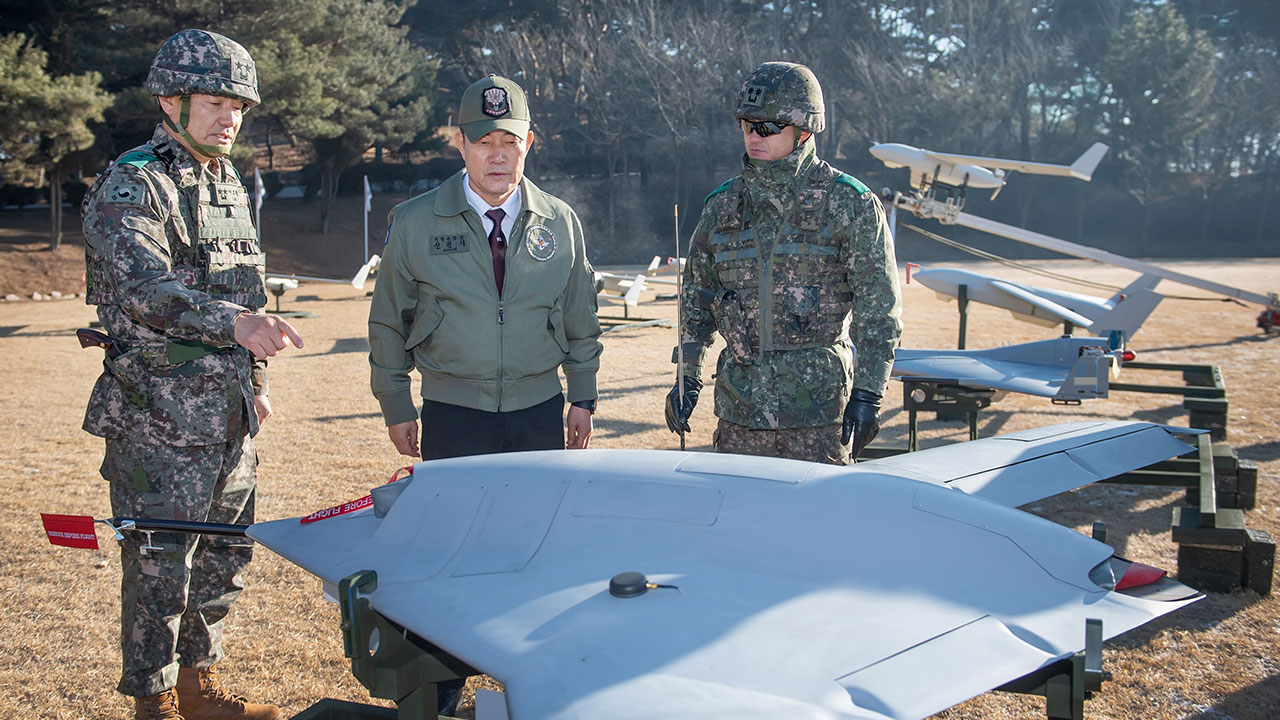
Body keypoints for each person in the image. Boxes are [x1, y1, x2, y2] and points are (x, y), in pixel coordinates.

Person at [80, 29, 302, 720]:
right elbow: (143, 288)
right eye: (215, 102)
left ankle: (201, 689)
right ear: (171, 100)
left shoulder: (227, 181)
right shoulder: (133, 181)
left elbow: (248, 292)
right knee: (158, 569)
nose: (230, 118)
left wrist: (256, 384)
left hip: (228, 414)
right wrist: (235, 327)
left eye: (239, 105)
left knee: (223, 558)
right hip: (157, 420)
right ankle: (152, 702)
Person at [367, 72, 603, 713]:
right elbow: (388, 320)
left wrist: (581, 397)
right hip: (454, 412)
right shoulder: (415, 222)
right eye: (482, 141)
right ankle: (438, 690)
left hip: (537, 412)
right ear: (459, 145)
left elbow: (581, 316)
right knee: (449, 555)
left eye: (509, 139)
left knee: (533, 551)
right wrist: (396, 402)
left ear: (531, 141)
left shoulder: (561, 221)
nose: (497, 154)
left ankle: (532, 683)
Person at [665, 61, 901, 465]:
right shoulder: (721, 207)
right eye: (746, 125)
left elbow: (879, 314)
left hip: (819, 420)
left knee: (817, 526)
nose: (753, 137)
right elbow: (696, 305)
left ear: (804, 128)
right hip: (740, 418)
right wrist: (687, 377)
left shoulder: (849, 204)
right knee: (738, 525)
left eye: (767, 127)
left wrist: (868, 394)